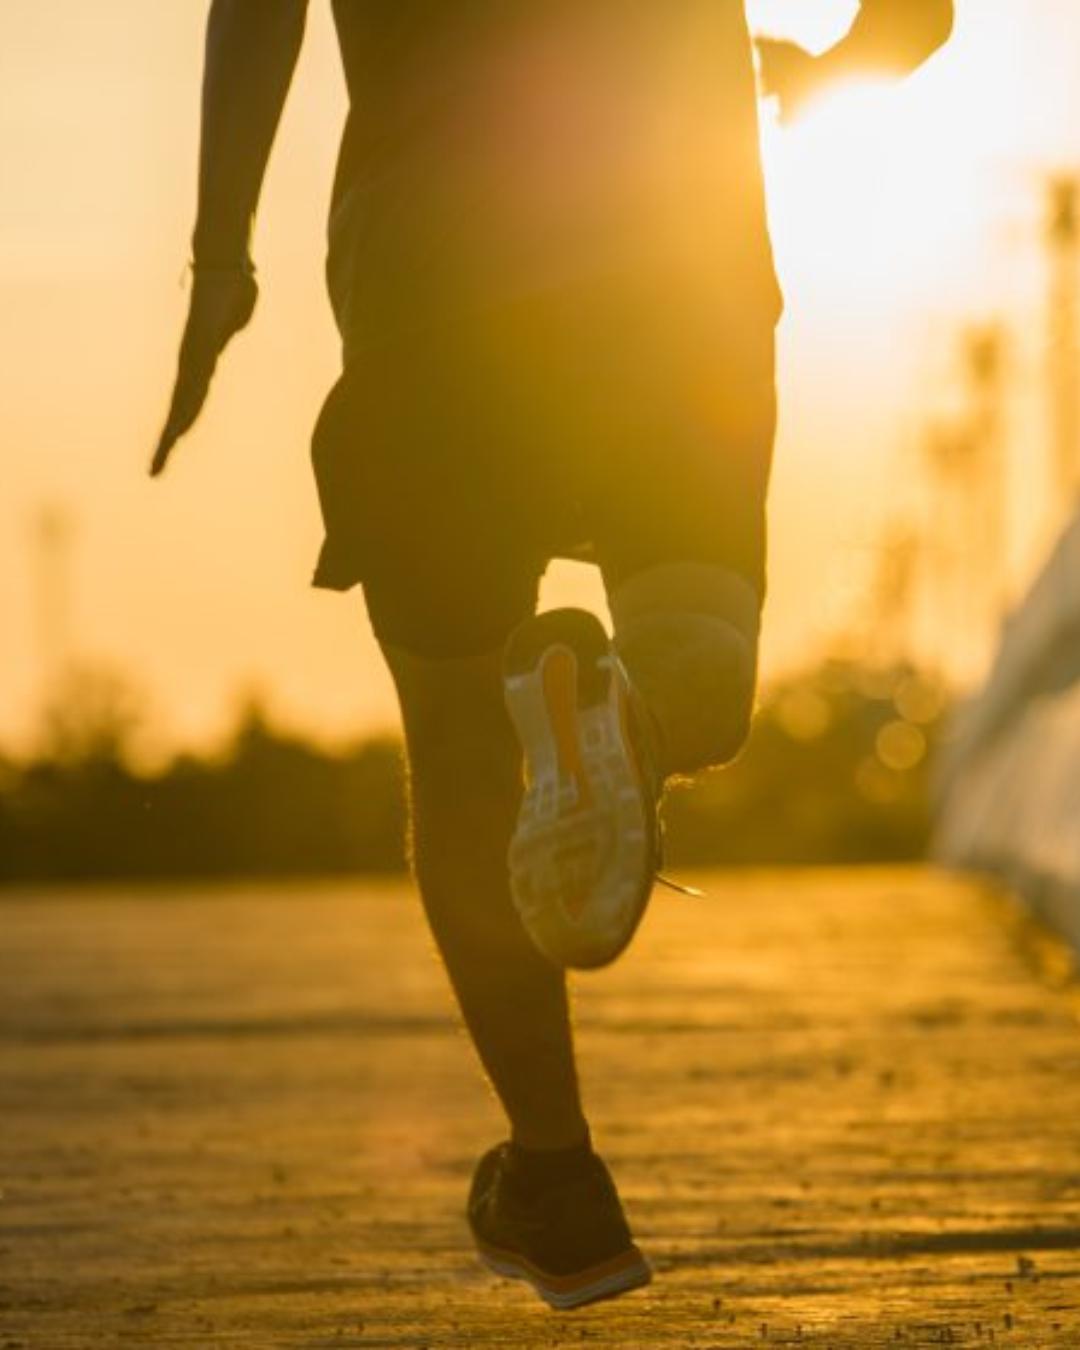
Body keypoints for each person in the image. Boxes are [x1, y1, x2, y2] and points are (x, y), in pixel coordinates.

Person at [153, 0, 954, 1311]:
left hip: (432, 276)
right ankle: (627, 716)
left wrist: (220, 256)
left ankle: (558, 1179)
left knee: (462, 733)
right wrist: (841, 67)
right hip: (673, 272)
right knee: (699, 657)